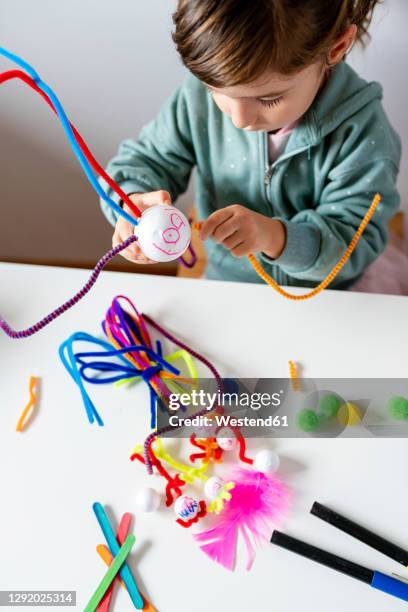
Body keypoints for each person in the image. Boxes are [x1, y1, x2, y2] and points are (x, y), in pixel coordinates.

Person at [100, 0, 401, 289]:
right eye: (215, 90)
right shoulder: (195, 100)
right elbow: (145, 161)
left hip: (333, 292)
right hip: (230, 284)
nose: (240, 120)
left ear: (335, 47)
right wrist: (133, 202)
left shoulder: (361, 133)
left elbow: (354, 242)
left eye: (270, 99)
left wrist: (275, 237)